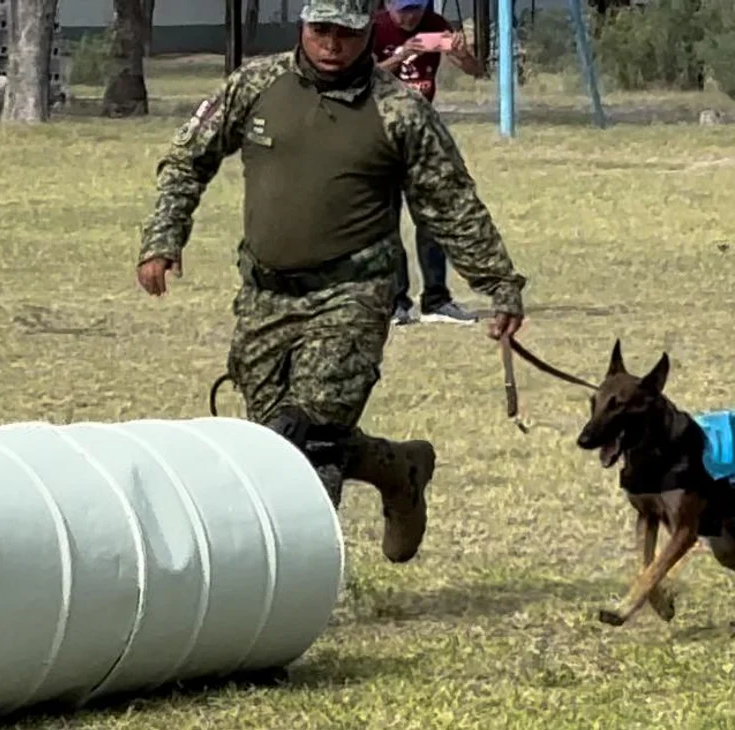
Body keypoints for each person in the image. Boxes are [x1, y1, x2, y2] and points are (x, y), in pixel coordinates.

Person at [135, 0, 527, 565]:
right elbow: (187, 160)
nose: (332, 44)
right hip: (265, 294)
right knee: (271, 441)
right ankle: (400, 470)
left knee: (310, 436)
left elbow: (451, 205)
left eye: (346, 32)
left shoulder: (399, 112)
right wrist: (162, 238)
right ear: (303, 25)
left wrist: (499, 284)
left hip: (354, 293)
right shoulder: (256, 85)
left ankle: (297, 583)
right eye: (321, 30)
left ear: (368, 30)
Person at [373, 0, 487, 326]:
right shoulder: (375, 29)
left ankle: (436, 299)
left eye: (417, 8)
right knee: (386, 221)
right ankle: (395, 302)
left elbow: (476, 71)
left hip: (422, 137)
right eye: (404, 9)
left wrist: (463, 54)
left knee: (433, 218)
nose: (411, 17)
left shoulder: (434, 24)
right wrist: (402, 54)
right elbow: (362, 76)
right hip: (381, 135)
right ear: (389, 5)